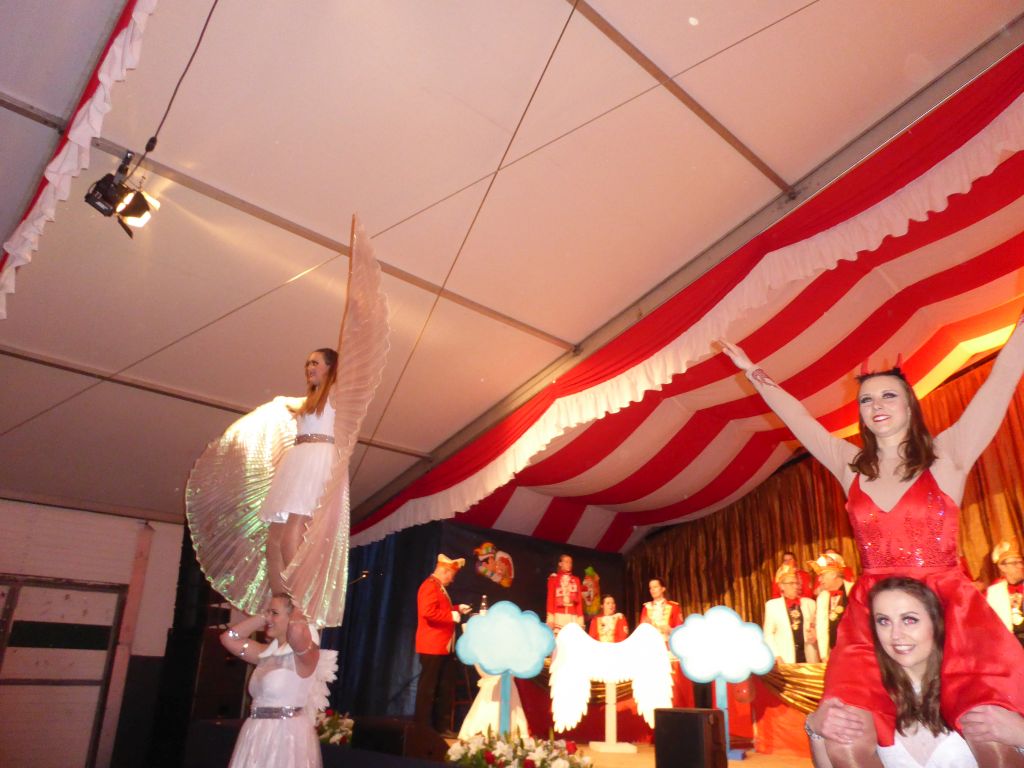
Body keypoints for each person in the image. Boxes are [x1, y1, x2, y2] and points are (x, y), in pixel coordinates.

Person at [720, 330, 1024, 768]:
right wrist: (753, 372)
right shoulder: (851, 467)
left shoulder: (948, 454)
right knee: (843, 736)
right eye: (866, 400)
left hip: (948, 611)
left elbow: (999, 384)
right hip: (872, 617)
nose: (876, 405)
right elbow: (800, 421)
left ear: (910, 406)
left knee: (989, 734)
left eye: (888, 395)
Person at [186, 216, 390, 628]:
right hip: (297, 462)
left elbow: (353, 351)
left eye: (316, 363)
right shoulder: (302, 403)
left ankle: (300, 594)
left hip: (317, 459)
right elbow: (283, 407)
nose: (309, 368)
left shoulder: (337, 395)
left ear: (331, 367)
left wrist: (356, 305)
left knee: (296, 526)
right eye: (307, 363)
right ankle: (281, 596)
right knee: (275, 535)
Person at [810, 578, 1024, 768]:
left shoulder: (984, 688)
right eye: (883, 621)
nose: (895, 635)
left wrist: (1020, 734)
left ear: (937, 622)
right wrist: (815, 728)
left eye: (909, 620)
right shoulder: (867, 695)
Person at [221, 594, 337, 768]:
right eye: (268, 612)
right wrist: (263, 616)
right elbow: (228, 638)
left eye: (274, 613)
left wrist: (298, 606)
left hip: (285, 736)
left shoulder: (305, 656)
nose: (268, 618)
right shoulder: (264, 653)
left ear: (292, 618)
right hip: (255, 731)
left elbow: (297, 632)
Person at [415, 554, 471, 736]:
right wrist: (450, 616)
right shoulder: (429, 586)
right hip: (432, 645)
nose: (452, 579)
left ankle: (440, 726)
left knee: (444, 687)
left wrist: (456, 608)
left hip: (443, 646)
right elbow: (427, 612)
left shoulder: (438, 587)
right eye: (451, 575)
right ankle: (422, 727)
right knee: (428, 688)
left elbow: (440, 609)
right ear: (444, 571)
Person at [640, 577, 689, 705]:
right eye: (650, 588)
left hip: (668, 649)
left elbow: (680, 630)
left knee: (671, 684)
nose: (652, 590)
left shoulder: (673, 606)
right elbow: (641, 631)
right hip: (652, 650)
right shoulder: (646, 608)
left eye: (655, 587)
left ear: (663, 589)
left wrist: (670, 630)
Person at [763, 565, 820, 663]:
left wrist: (816, 634)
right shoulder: (772, 606)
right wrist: (776, 655)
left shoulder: (810, 604)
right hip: (786, 659)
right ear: (781, 586)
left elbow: (819, 627)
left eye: (797, 583)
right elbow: (768, 634)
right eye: (791, 583)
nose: (796, 586)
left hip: (808, 659)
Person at [810, 554, 856, 662]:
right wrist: (824, 655)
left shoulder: (854, 589)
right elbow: (821, 626)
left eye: (822, 575)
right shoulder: (822, 597)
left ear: (833, 574)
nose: (819, 579)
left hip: (854, 652)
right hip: (833, 653)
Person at [986, 541, 1024, 647]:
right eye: (1014, 563)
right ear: (1002, 567)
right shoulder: (994, 592)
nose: (1020, 566)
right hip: (1010, 645)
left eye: (1021, 562)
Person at [546, 554, 584, 633]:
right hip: (558, 617)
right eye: (566, 562)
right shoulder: (554, 579)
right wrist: (550, 618)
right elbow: (550, 599)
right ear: (560, 564)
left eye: (570, 562)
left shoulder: (576, 580)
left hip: (573, 617)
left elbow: (579, 602)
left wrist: (580, 620)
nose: (569, 564)